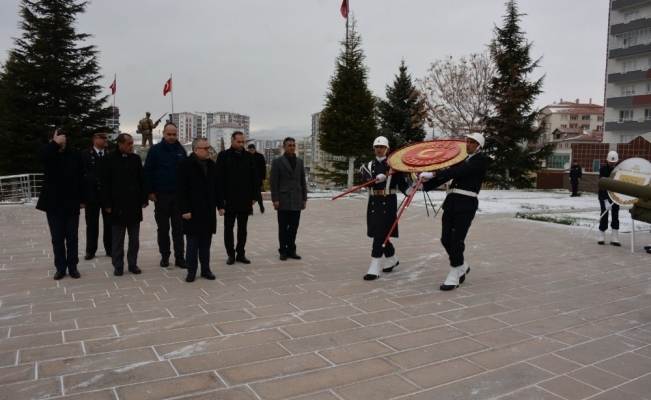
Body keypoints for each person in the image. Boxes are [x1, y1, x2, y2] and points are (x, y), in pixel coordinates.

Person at [420, 132, 488, 291]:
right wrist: (424, 185)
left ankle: (454, 275)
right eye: (467, 141)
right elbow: (448, 175)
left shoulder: (480, 160)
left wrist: (434, 173)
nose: (468, 144)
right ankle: (462, 266)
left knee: (456, 240)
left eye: (472, 142)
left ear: (479, 146)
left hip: (466, 203)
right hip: (451, 203)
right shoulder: (463, 160)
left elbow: (459, 171)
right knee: (445, 239)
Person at [36, 129, 86, 280]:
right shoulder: (46, 151)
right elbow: (43, 159)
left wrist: (83, 199)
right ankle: (60, 267)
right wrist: (54, 145)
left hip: (71, 201)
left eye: (63, 143)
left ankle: (73, 267)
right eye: (58, 143)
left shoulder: (75, 153)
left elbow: (81, 176)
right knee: (57, 238)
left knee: (72, 237)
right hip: (53, 203)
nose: (61, 146)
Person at [360, 136, 409, 280]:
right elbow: (364, 182)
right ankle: (391, 257)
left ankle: (374, 267)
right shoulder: (367, 166)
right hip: (374, 201)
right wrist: (375, 180)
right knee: (379, 233)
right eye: (377, 147)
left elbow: (401, 183)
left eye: (382, 147)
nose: (379, 149)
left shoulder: (394, 165)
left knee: (380, 234)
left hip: (388, 201)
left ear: (387, 149)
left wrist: (408, 190)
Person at [101, 134, 148, 276]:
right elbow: (105, 184)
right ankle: (118, 265)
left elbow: (141, 180)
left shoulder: (135, 159)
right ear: (120, 144)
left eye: (132, 143)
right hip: (117, 205)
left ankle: (133, 263)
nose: (131, 146)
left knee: (134, 238)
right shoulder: (108, 159)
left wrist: (144, 199)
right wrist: (107, 203)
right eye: (128, 143)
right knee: (117, 238)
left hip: (133, 204)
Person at [176, 138, 222, 282]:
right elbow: (180, 190)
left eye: (209, 148)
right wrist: (185, 209)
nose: (208, 151)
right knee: (192, 244)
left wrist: (220, 205)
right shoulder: (185, 165)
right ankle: (191, 271)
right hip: (192, 212)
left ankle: (205, 269)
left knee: (205, 244)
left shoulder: (212, 165)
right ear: (196, 150)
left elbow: (217, 187)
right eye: (205, 149)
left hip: (208, 211)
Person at [144, 122, 188, 269]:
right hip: (161, 195)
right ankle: (165, 256)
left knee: (179, 228)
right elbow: (147, 171)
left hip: (178, 196)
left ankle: (180, 257)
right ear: (163, 133)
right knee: (163, 228)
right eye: (169, 134)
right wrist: (150, 191)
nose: (172, 137)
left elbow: (186, 172)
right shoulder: (155, 150)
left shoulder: (181, 149)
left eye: (174, 134)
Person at [216, 131, 259, 265]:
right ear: (232, 141)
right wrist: (220, 200)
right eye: (238, 142)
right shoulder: (223, 156)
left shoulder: (249, 157)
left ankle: (241, 253)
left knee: (242, 228)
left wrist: (255, 195)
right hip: (229, 199)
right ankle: (230, 254)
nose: (241, 144)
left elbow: (254, 177)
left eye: (242, 142)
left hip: (245, 198)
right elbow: (219, 180)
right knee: (228, 228)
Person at [270, 137, 308, 261]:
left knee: (293, 227)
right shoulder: (277, 162)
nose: (292, 147)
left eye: (293, 145)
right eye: (289, 145)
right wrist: (275, 199)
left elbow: (302, 181)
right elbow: (274, 182)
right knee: (283, 227)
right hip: (283, 199)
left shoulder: (299, 162)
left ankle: (292, 250)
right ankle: (282, 250)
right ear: (284, 147)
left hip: (296, 199)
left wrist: (304, 198)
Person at [82, 132, 111, 260]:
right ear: (95, 140)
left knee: (109, 223)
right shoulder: (86, 154)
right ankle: (90, 250)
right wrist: (99, 183)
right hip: (92, 195)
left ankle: (110, 249)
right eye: (103, 138)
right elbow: (85, 172)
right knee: (92, 224)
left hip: (107, 195)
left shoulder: (109, 154)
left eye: (106, 138)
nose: (106, 140)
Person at [598, 151, 620, 246]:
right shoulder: (603, 170)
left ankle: (615, 237)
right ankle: (601, 235)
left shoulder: (619, 170)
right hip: (604, 195)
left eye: (614, 162)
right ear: (607, 160)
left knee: (615, 215)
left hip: (616, 196)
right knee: (604, 214)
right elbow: (603, 186)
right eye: (611, 162)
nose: (612, 164)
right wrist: (606, 200)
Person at [248, 143, 267, 214]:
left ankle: (261, 206)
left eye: (252, 150)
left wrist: (263, 178)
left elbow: (263, 167)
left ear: (254, 149)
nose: (251, 152)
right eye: (249, 150)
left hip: (258, 178)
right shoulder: (247, 156)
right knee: (249, 194)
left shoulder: (260, 156)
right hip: (249, 179)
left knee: (258, 193)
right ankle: (250, 209)